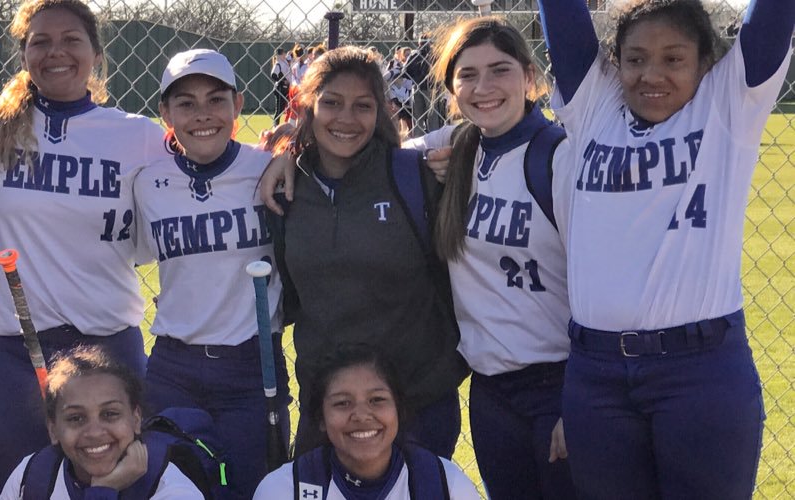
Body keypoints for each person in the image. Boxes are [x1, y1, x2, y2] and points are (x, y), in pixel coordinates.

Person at [537, 0, 793, 497]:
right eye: (635, 59)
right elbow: (561, 14)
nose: (651, 74)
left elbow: (773, 17)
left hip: (699, 373)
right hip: (597, 376)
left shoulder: (729, 104)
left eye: (673, 59)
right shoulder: (594, 105)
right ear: (615, 64)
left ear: (706, 62)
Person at [0, 1, 166, 496]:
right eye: (40, 41)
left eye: (71, 40)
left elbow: (211, 168)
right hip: (6, 354)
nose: (56, 52)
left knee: (115, 486)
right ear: (24, 53)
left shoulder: (139, 137)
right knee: (14, 489)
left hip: (105, 346)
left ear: (95, 52)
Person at [258, 47, 470, 459]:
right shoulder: (287, 188)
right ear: (307, 105)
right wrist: (285, 152)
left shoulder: (412, 176)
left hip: (418, 402)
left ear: (381, 111)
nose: (346, 119)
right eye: (331, 103)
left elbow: (478, 132)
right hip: (331, 409)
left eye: (363, 106)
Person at [406, 17, 575, 499]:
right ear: (450, 87)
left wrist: (579, 398)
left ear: (528, 76)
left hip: (559, 382)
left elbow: (601, 283)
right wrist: (288, 150)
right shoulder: (457, 145)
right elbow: (366, 154)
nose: (483, 88)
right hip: (491, 389)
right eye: (467, 75)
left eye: (499, 70)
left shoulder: (558, 156)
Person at [133, 48, 284, 500]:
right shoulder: (147, 182)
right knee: (167, 488)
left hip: (251, 365)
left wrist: (293, 146)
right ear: (165, 113)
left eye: (216, 100)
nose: (203, 115)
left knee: (252, 489)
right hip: (173, 366)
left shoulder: (270, 171)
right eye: (186, 103)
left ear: (238, 106)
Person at [252, 345, 481, 499]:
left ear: (398, 410)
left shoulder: (444, 485)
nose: (361, 415)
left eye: (377, 400)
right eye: (342, 403)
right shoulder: (283, 490)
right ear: (321, 417)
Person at [0, 345, 203, 500]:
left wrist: (102, 491)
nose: (94, 432)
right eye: (76, 418)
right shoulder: (32, 476)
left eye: (110, 414)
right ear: (53, 430)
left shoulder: (171, 490)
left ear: (136, 419)